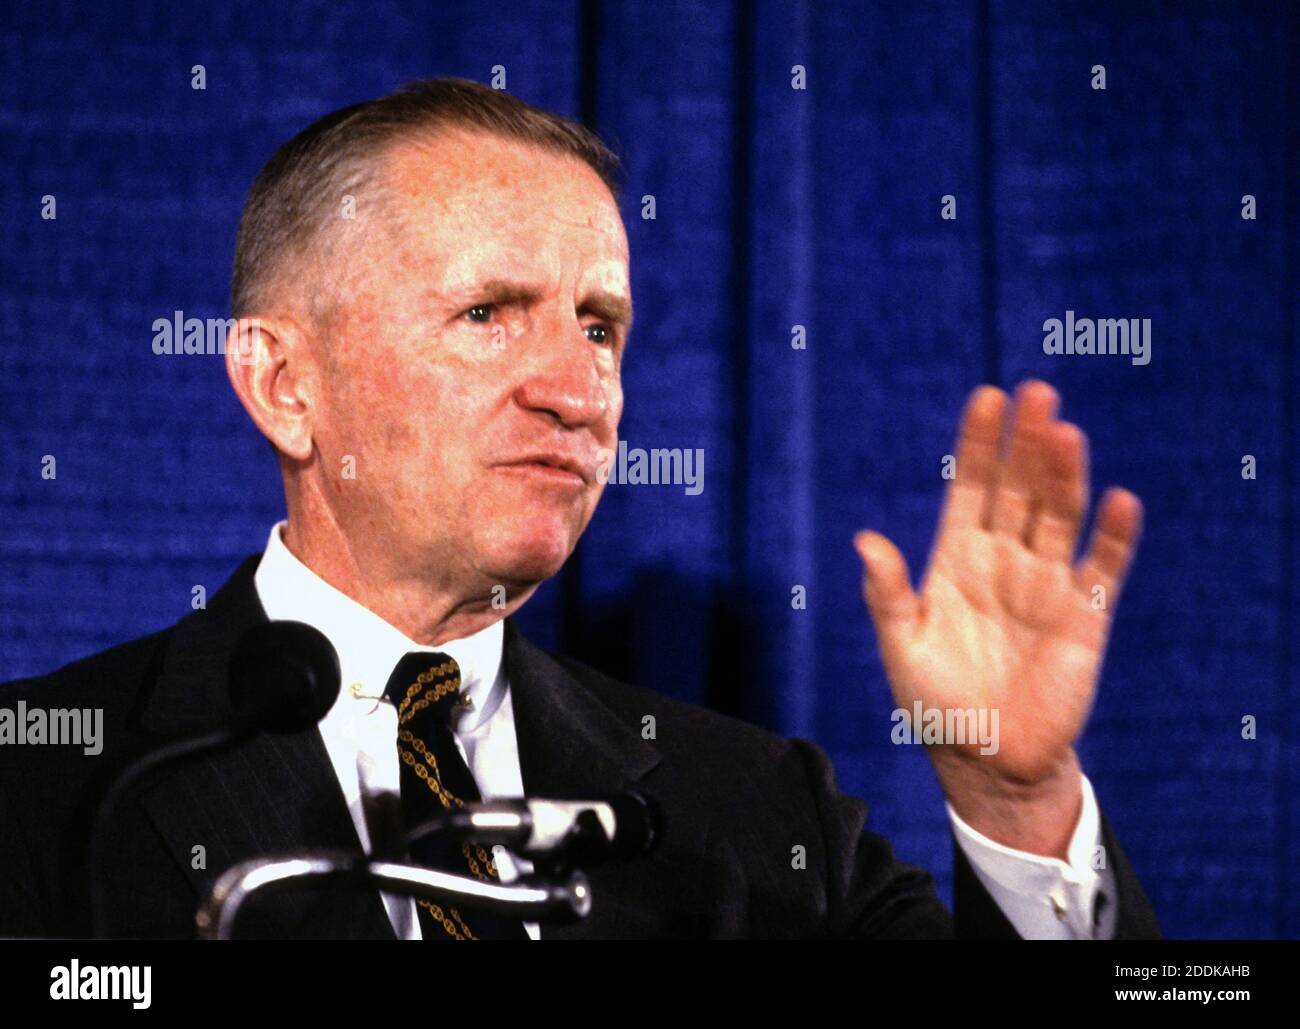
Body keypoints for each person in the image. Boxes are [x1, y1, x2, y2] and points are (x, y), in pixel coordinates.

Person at [0, 78, 1159, 940]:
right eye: (489, 314)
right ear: (283, 384)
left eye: (598, 326)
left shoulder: (758, 814)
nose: (575, 391)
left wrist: (1017, 808)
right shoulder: (52, 783)